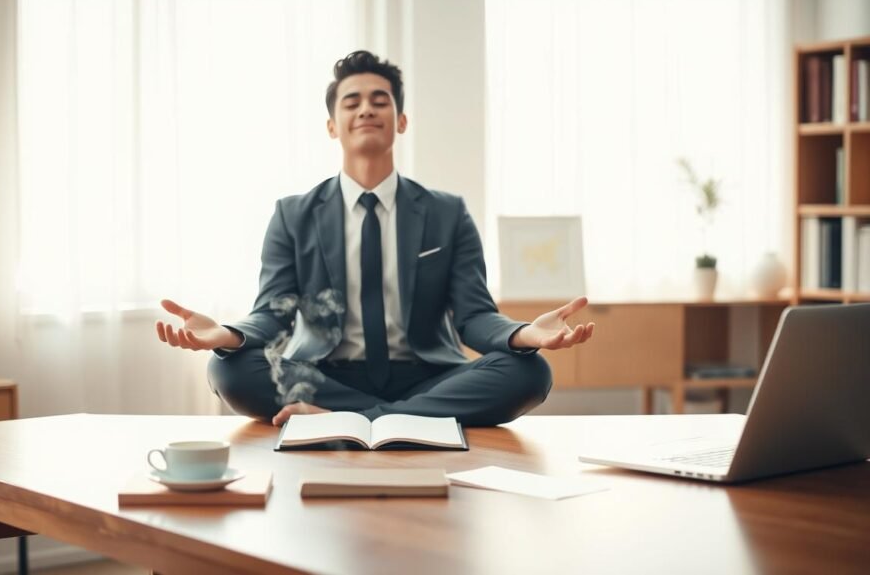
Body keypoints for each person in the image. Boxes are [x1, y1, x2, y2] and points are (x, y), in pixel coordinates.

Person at [156, 50, 595, 427]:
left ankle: (359, 422)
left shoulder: (447, 212)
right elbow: (273, 315)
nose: (366, 109)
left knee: (530, 373)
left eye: (379, 100)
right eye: (352, 102)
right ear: (333, 125)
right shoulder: (292, 215)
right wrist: (228, 333)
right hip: (324, 376)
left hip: (427, 373)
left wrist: (522, 334)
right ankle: (407, 419)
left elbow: (474, 318)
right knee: (229, 370)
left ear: (400, 120)